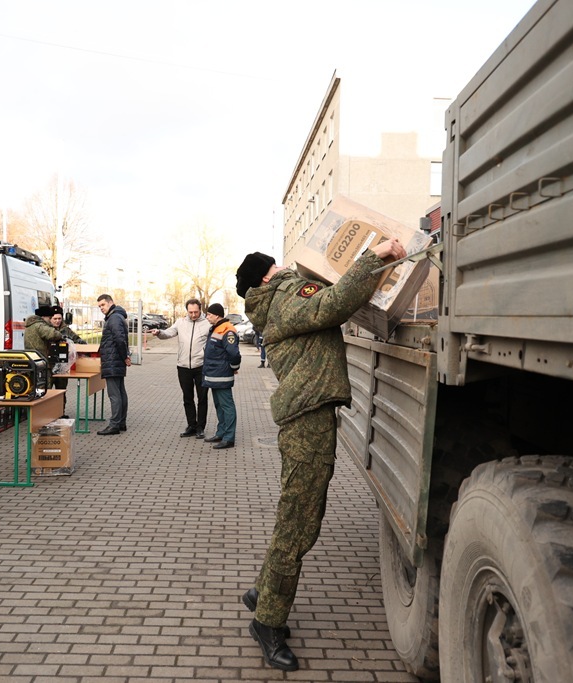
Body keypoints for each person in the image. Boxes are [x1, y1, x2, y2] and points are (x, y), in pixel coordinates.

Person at [235, 238, 406, 671]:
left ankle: (261, 592)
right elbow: (333, 304)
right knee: (299, 523)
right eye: (276, 265)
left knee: (295, 515)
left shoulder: (277, 300)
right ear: (268, 275)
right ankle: (267, 622)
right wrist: (374, 257)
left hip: (306, 415)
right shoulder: (286, 296)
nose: (284, 267)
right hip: (307, 419)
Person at [150, 298, 209, 438]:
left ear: (200, 310)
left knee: (202, 398)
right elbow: (169, 333)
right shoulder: (180, 322)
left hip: (201, 366)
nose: (193, 315)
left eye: (196, 312)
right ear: (187, 310)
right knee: (187, 398)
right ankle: (191, 425)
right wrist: (159, 333)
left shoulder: (207, 323)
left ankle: (200, 428)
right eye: (190, 312)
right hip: (183, 366)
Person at [202, 303, 241, 449]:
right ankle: (221, 433)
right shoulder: (217, 328)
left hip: (222, 375)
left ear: (217, 315)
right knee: (219, 405)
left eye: (209, 314)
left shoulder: (228, 330)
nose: (207, 317)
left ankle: (229, 438)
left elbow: (234, 354)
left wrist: (234, 368)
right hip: (214, 375)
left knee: (227, 406)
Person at [96, 293, 130, 435]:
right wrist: (124, 356)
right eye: (99, 306)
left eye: (103, 305)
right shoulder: (116, 316)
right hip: (115, 360)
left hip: (113, 360)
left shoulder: (114, 318)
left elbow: (119, 339)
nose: (101, 308)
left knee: (114, 394)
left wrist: (125, 356)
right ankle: (121, 423)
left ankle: (114, 425)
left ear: (111, 303)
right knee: (120, 392)